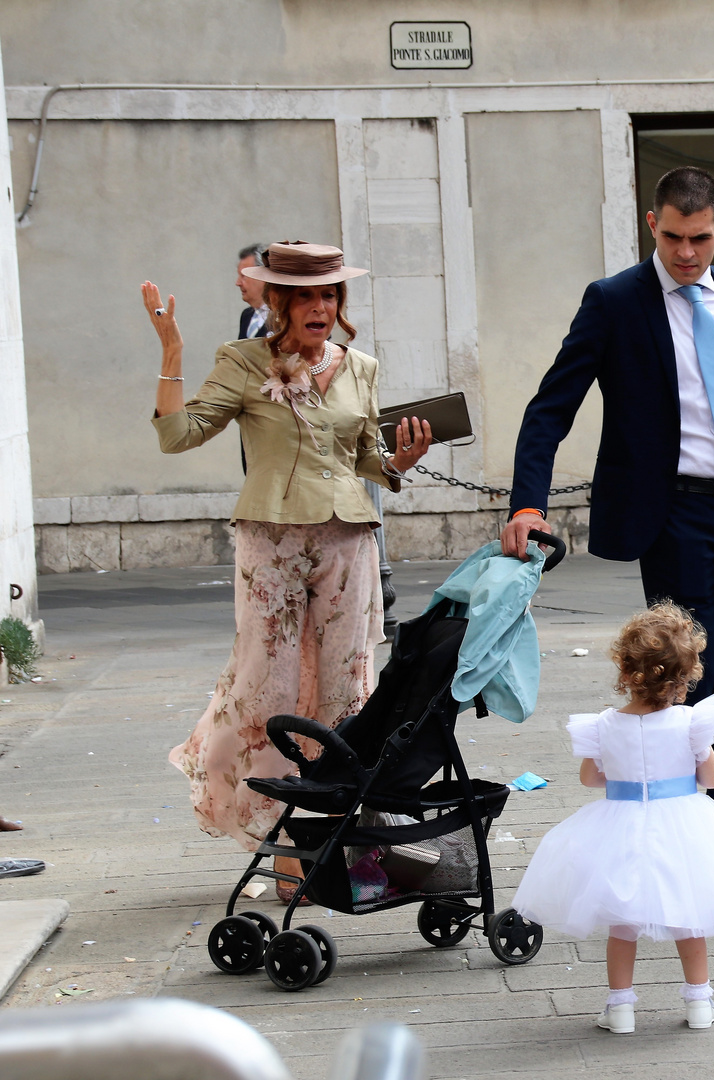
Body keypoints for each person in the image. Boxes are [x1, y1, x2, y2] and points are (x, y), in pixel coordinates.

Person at [502, 166, 714, 920]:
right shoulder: (614, 302)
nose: (685, 253)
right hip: (675, 517)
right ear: (652, 225)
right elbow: (552, 406)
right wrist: (526, 504)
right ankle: (687, 872)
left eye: (699, 238)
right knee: (687, 697)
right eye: (672, 237)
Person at [147, 242, 433, 903]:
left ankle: (342, 845)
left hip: (346, 542)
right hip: (270, 542)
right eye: (306, 297)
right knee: (267, 688)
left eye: (329, 295)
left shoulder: (360, 366)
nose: (320, 308)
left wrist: (402, 461)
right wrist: (170, 353)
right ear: (278, 303)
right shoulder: (244, 361)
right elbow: (179, 435)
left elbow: (367, 458)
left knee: (345, 692)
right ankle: (276, 844)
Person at [512, 603, 714, 1034]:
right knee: (689, 918)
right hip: (684, 825)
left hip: (622, 824)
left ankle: (620, 1010)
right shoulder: (691, 723)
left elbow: (591, 779)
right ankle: (699, 1004)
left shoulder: (603, 725)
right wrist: (696, 756)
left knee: (623, 923)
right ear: (684, 675)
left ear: (624, 669)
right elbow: (711, 777)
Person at [236, 243, 271, 340]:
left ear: (263, 276)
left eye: (243, 276)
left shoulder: (284, 316)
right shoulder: (247, 315)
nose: (238, 283)